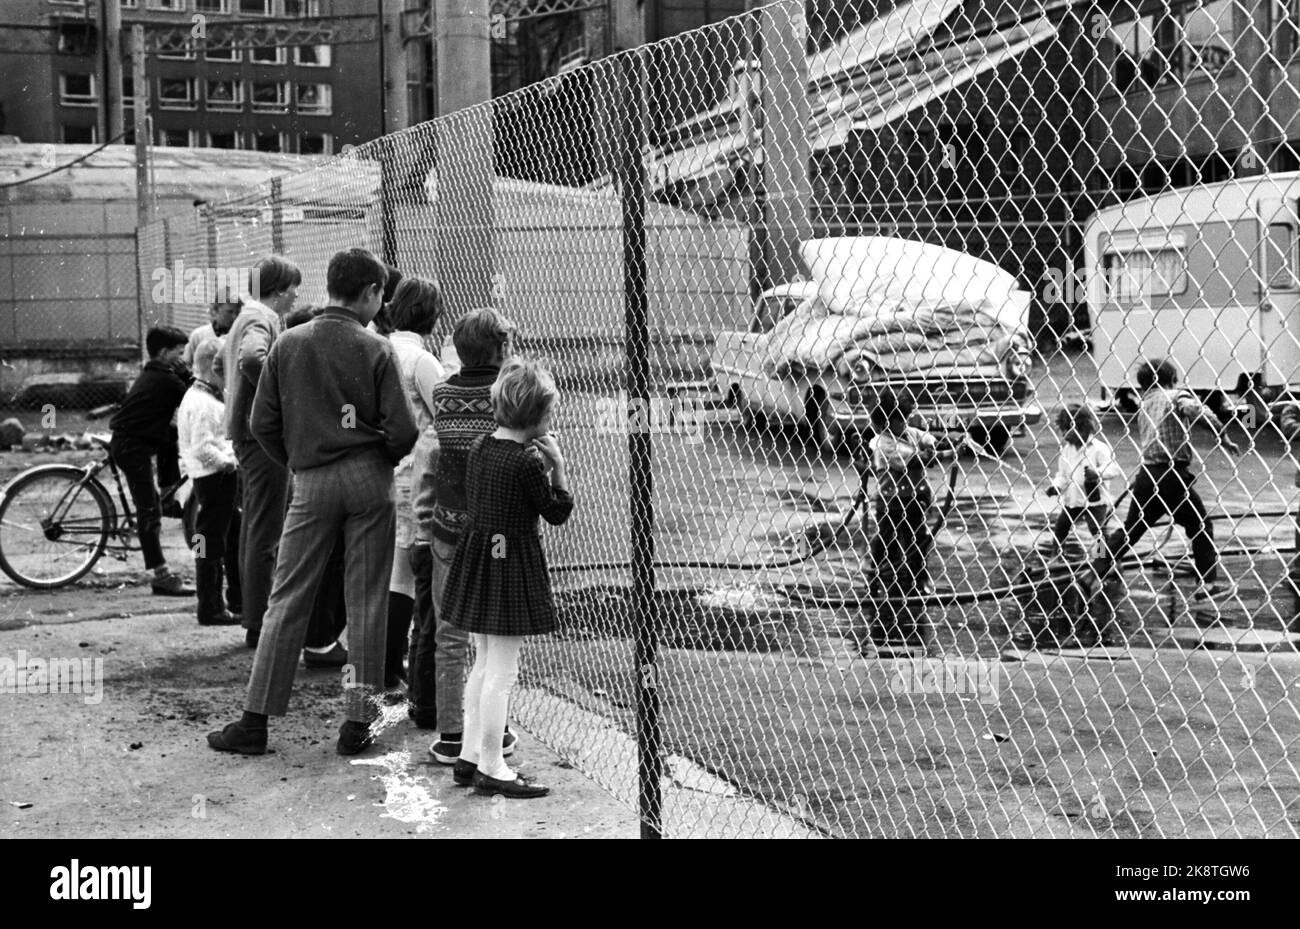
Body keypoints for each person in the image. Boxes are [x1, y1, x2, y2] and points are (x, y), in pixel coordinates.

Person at [207, 247, 417, 757]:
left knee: (288, 596)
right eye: (379, 296)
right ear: (370, 292)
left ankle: (254, 722)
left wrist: (299, 460)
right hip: (370, 482)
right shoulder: (378, 348)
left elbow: (262, 423)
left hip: (310, 481)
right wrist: (378, 456)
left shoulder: (289, 342)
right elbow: (404, 429)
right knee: (365, 600)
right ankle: (356, 724)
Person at [443, 358, 573, 798]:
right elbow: (556, 512)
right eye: (548, 414)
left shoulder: (482, 446)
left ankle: (470, 756)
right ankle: (493, 766)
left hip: (480, 559)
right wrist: (558, 467)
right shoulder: (526, 462)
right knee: (503, 671)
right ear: (535, 415)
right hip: (510, 565)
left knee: (482, 664)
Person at [412, 308, 516, 762]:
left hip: (450, 527)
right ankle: (496, 731)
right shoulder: (507, 394)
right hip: (496, 529)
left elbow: (434, 456)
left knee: (448, 633)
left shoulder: (444, 393)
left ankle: (452, 733)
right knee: (494, 637)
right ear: (501, 347)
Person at [1101, 358, 1241, 602]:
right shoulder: (1175, 395)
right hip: (1171, 474)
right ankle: (1207, 585)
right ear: (1171, 379)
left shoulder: (1145, 404)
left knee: (1131, 530)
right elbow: (1196, 410)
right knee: (1200, 525)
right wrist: (1223, 434)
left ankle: (1096, 568)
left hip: (1147, 475)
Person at [223, 255, 301, 648]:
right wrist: (279, 396)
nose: (296, 296)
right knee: (266, 530)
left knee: (257, 525)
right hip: (262, 439)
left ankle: (253, 614)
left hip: (249, 436)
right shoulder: (261, 318)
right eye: (293, 289)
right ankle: (259, 620)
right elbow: (253, 358)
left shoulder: (246, 316)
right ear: (279, 290)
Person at [384, 277, 445, 693]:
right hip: (414, 472)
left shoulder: (381, 349)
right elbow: (445, 416)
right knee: (408, 573)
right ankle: (394, 665)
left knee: (394, 571)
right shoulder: (422, 361)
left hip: (384, 468)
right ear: (433, 317)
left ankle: (387, 662)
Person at [109, 325, 196, 596]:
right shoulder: (167, 379)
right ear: (163, 352)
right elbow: (195, 400)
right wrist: (187, 374)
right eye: (179, 354)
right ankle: (161, 576)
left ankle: (167, 496)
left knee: (171, 439)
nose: (183, 358)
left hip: (129, 440)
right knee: (149, 512)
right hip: (133, 447)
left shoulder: (153, 372)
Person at [867, 388, 940, 650]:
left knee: (919, 538)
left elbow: (924, 437)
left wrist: (932, 442)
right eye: (900, 420)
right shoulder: (885, 443)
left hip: (914, 498)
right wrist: (931, 455)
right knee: (886, 538)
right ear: (887, 423)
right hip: (892, 501)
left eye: (905, 419)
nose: (904, 424)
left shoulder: (908, 432)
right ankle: (874, 574)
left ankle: (919, 579)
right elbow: (910, 462)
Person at [176, 338, 241, 625]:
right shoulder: (203, 403)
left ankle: (233, 600)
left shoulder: (199, 395)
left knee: (228, 537)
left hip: (209, 478)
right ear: (215, 367)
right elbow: (203, 448)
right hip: (214, 478)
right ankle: (211, 607)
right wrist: (228, 462)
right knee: (212, 543)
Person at [1047, 403, 1123, 551]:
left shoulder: (1098, 448)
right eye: (1064, 430)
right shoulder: (1066, 451)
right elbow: (1062, 475)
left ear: (1083, 428)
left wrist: (1098, 473)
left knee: (1097, 530)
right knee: (1061, 527)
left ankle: (1101, 559)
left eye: (1069, 429)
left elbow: (1113, 469)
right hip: (1073, 499)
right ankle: (1056, 554)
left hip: (1095, 501)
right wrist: (1056, 486)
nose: (1065, 434)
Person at [182, 300, 241, 367]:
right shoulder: (199, 334)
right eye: (230, 312)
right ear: (215, 311)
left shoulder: (240, 336)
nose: (234, 317)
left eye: (237, 313)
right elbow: (188, 363)